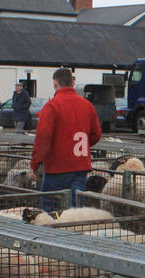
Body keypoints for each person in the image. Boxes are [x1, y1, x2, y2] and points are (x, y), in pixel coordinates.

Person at [31, 67, 102, 211]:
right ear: (72, 83)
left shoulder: (52, 106)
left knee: (51, 212)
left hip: (57, 168)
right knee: (76, 212)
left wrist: (35, 165)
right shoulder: (87, 105)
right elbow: (96, 134)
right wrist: (82, 146)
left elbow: (43, 139)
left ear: (55, 84)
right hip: (80, 167)